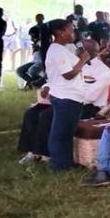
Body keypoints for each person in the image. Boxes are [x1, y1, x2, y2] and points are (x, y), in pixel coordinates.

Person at [44, 19, 90, 171]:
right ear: (60, 32)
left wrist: (79, 58)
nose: (74, 33)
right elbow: (68, 74)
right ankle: (59, 165)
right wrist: (83, 60)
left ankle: (67, 162)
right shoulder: (57, 50)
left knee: (67, 132)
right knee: (60, 133)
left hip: (71, 96)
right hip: (65, 97)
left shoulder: (62, 49)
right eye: (71, 30)